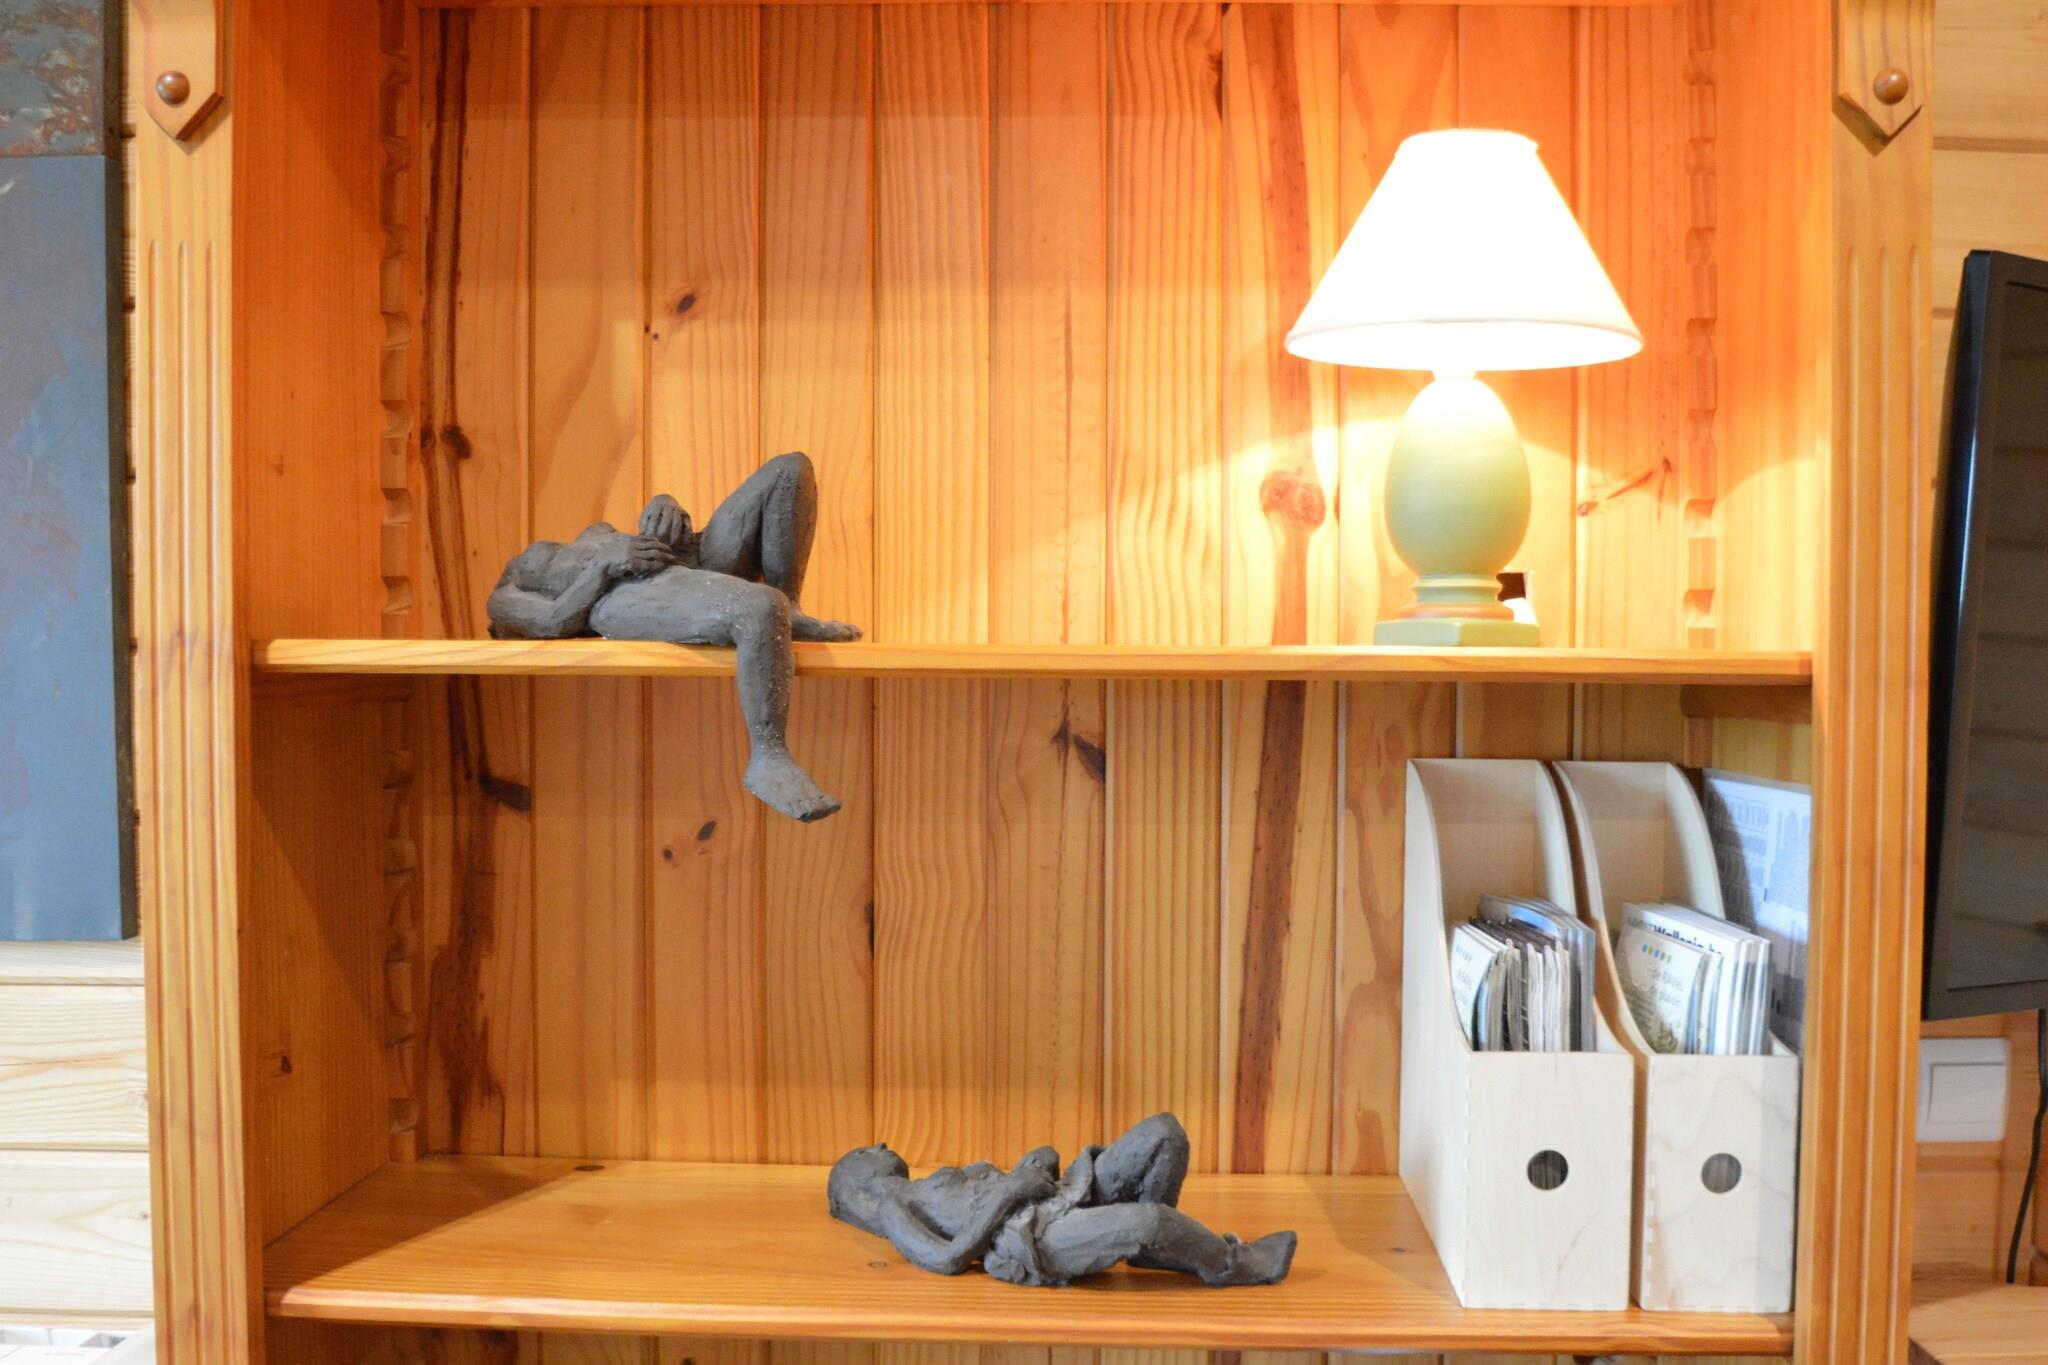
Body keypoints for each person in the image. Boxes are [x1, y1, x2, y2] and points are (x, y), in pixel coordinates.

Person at [486, 452, 859, 822]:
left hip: (684, 557)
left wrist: (664, 508)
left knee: (790, 470)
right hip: (626, 592)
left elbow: (633, 539)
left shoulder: (591, 534)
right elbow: (553, 622)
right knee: (760, 607)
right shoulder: (504, 597)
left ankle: (791, 606)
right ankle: (769, 755)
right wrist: (602, 568)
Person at [826, 1113, 1298, 1288]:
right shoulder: (893, 1208)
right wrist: (1012, 1190)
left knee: (1165, 1133)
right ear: (854, 1181)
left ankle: (1160, 1250)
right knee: (1149, 1221)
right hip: (1033, 1238)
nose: (881, 1146)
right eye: (867, 1152)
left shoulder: (929, 1184)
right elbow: (946, 1258)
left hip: (1057, 1198)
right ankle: (1231, 1263)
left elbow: (1004, 1188)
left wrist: (1029, 1168)